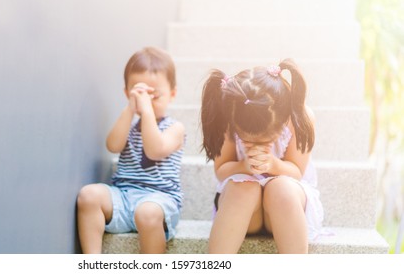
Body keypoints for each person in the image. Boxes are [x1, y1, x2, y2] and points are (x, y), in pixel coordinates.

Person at [200, 59, 324, 254]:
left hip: (286, 205)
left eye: (267, 140)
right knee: (243, 187)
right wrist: (244, 166)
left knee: (280, 188)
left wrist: (273, 164)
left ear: (282, 120)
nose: (256, 145)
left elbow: (297, 172)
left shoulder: (299, 117)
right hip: (249, 213)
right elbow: (221, 170)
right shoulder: (230, 117)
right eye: (247, 140)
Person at [77, 47, 185, 254]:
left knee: (146, 212)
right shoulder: (129, 122)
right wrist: (130, 109)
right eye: (140, 94)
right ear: (128, 93)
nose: (147, 101)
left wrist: (146, 111)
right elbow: (113, 145)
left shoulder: (175, 128)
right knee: (88, 195)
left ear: (172, 94)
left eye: (154, 96)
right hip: (124, 196)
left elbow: (154, 150)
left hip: (159, 200)